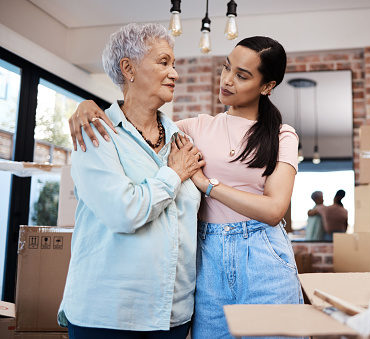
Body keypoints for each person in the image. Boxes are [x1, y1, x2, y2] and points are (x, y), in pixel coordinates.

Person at [70, 35, 303, 339]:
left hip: (263, 257)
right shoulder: (191, 129)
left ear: (267, 86)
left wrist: (208, 186)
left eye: (242, 76)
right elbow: (137, 120)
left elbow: (274, 210)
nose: (228, 80)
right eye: (226, 68)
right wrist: (87, 105)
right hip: (207, 260)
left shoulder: (282, 135)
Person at [58, 23, 205, 339]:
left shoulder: (182, 140)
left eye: (174, 64)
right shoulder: (97, 132)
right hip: (108, 314)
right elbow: (123, 212)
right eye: (164, 62)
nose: (175, 73)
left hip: (172, 315)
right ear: (129, 68)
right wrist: (174, 174)